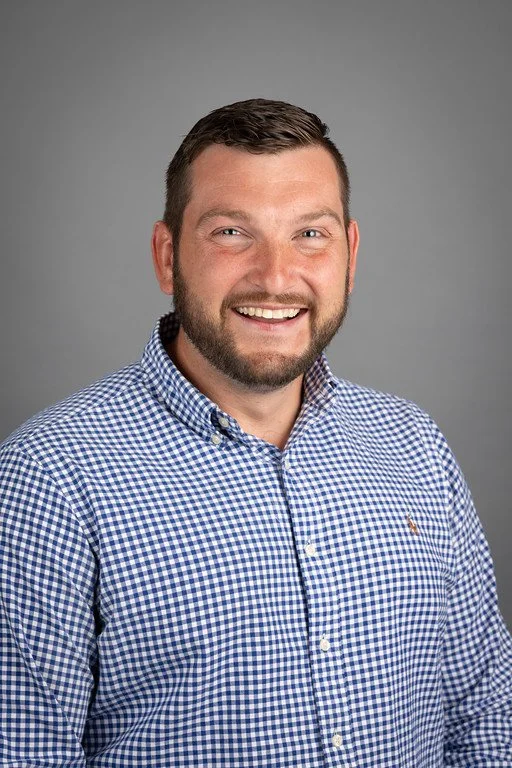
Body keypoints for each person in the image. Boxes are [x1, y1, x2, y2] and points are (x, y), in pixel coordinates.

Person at [1, 98, 511, 768]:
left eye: (309, 235)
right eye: (231, 233)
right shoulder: (46, 477)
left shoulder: (412, 443)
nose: (275, 276)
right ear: (166, 256)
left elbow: (484, 711)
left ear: (349, 254)